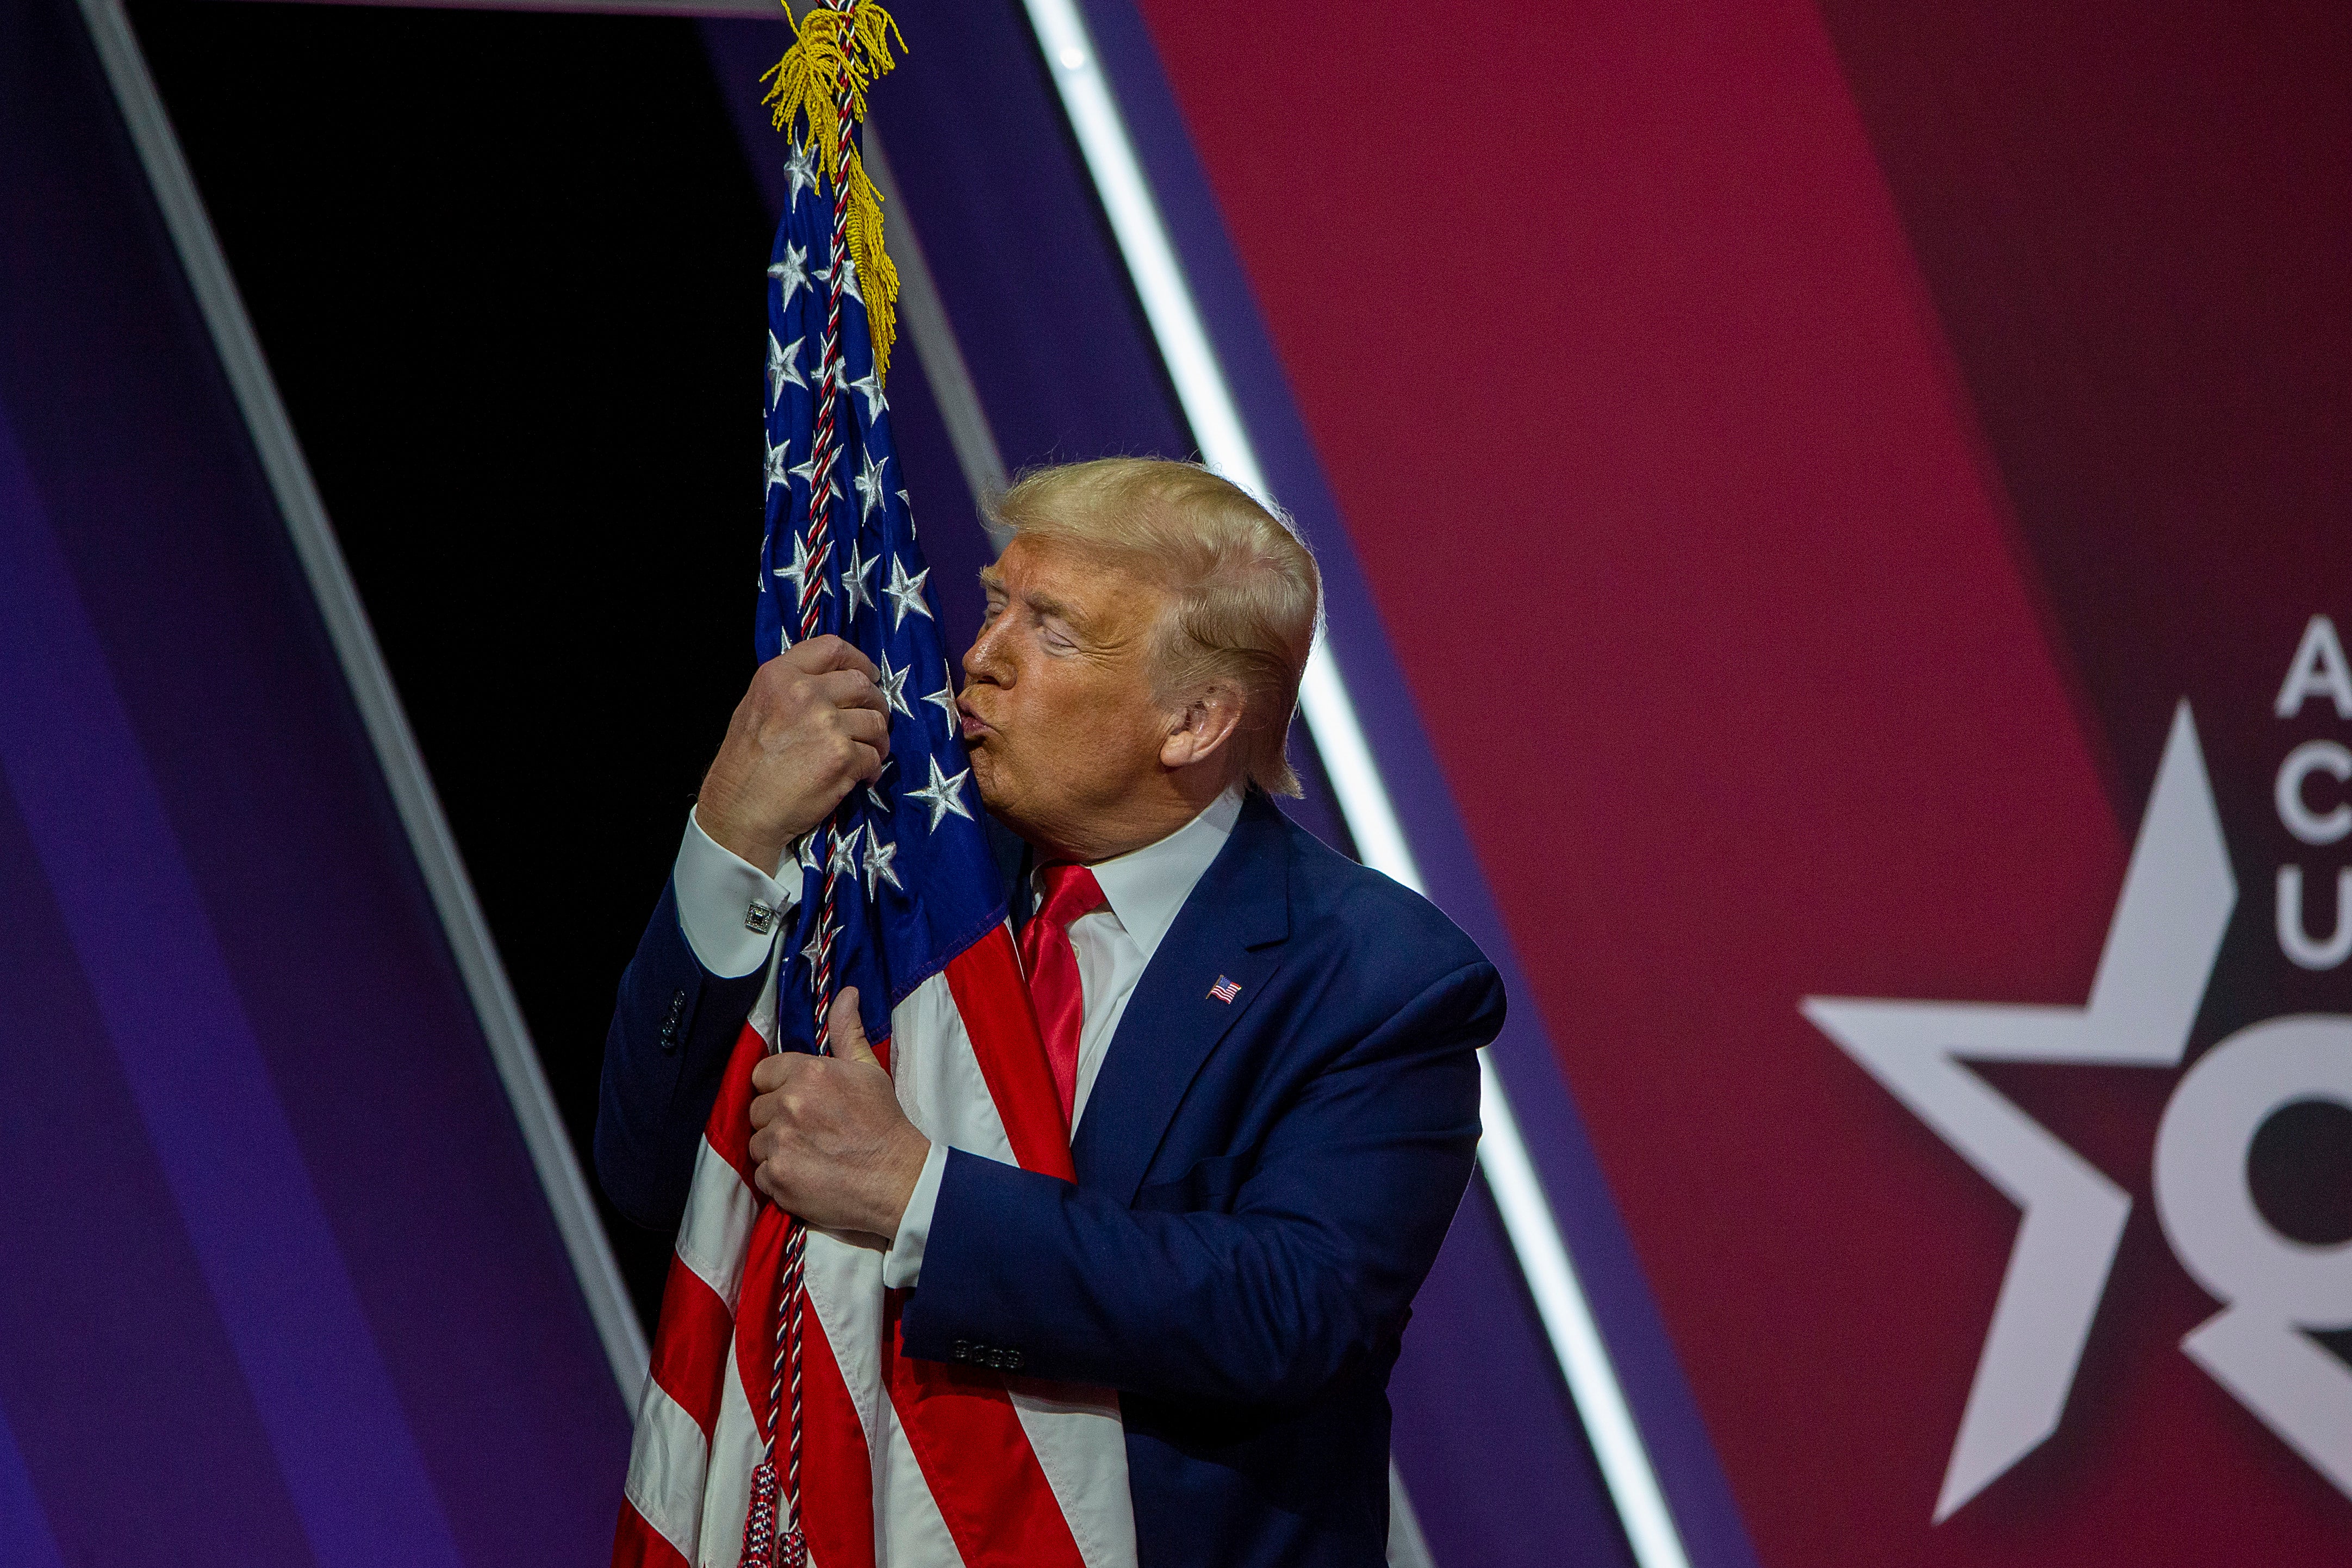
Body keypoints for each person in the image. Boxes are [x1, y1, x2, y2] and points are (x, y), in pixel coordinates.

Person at [598, 458, 1504, 1567]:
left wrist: (914, 1191)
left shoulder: (1377, 979)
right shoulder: (899, 891)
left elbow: (1286, 1310)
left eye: (1054, 629)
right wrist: (731, 835)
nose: (979, 657)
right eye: (994, 604)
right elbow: (648, 1170)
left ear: (1196, 719)